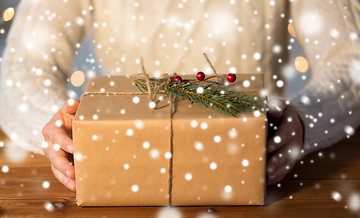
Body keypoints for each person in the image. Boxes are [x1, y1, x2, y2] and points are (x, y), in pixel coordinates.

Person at [0, 0, 359, 191]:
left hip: (252, 168)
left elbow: (351, 58)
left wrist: (304, 117)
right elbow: (22, 67)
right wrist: (53, 125)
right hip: (124, 170)